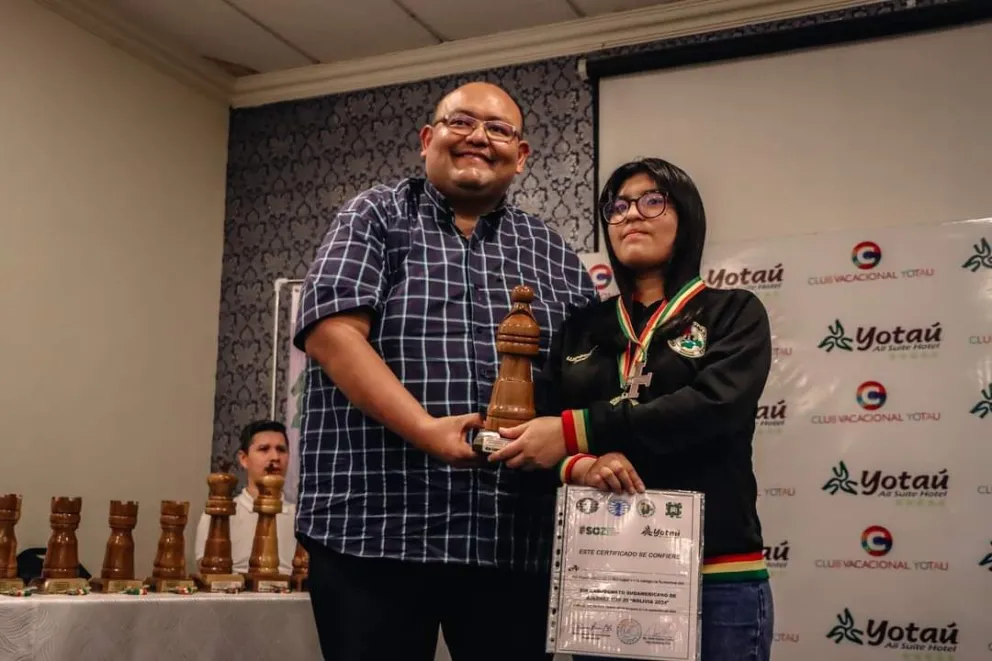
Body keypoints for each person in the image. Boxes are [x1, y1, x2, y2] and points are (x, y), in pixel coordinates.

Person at [292, 81, 598, 661]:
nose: (479, 137)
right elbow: (332, 337)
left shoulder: (553, 253)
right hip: (373, 531)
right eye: (461, 123)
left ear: (522, 155)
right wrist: (424, 429)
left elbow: (587, 376)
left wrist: (582, 445)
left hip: (509, 542)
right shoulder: (374, 215)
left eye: (500, 129)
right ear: (428, 140)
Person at [488, 157, 774, 661]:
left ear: (686, 215)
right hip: (606, 573)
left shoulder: (734, 312)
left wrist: (580, 431)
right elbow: (538, 437)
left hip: (716, 575)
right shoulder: (580, 328)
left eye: (651, 201)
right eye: (617, 207)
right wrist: (583, 463)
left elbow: (712, 409)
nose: (631, 216)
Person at [194, 419, 297, 576]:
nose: (275, 457)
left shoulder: (300, 517)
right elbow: (207, 570)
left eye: (281, 450)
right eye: (264, 449)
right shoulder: (220, 515)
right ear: (244, 459)